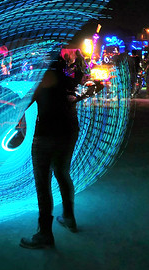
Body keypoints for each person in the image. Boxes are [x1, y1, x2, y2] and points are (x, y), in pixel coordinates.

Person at [19, 53, 103, 249]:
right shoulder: (68, 81)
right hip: (68, 132)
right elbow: (95, 87)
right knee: (62, 173)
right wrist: (82, 95)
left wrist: (16, 120)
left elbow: (22, 103)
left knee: (43, 182)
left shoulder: (41, 82)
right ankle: (68, 217)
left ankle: (45, 234)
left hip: (46, 135)